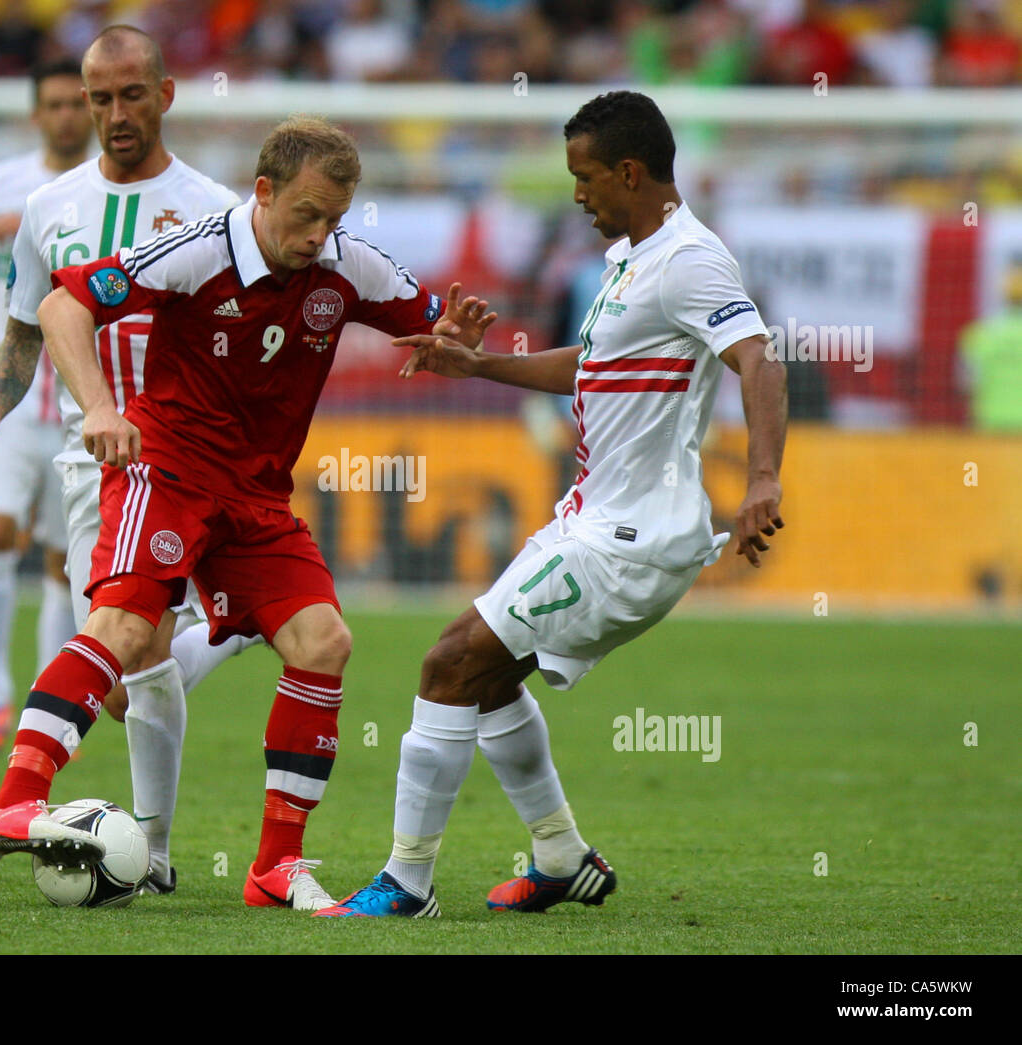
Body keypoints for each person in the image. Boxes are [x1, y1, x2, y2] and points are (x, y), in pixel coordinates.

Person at [0, 112, 496, 911]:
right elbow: (61, 308)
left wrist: (451, 343)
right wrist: (102, 408)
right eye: (306, 215)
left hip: (255, 496)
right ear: (263, 192)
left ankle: (274, 865)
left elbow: (432, 325)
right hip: (166, 469)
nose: (320, 235)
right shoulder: (195, 249)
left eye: (335, 219)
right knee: (129, 631)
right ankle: (15, 795)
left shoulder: (350, 265)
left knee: (324, 641)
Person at [316, 90, 787, 918]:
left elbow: (760, 360)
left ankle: (407, 882)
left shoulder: (692, 260)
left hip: (632, 538)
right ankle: (563, 857)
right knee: (489, 678)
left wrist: (761, 480)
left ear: (631, 172)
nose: (578, 194)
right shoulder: (631, 261)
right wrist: (477, 366)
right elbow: (590, 367)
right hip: (590, 517)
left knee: (449, 662)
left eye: (587, 176)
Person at [0, 26, 255, 895]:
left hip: (188, 455)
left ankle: (151, 851)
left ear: (165, 95)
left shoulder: (215, 208)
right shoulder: (50, 207)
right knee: (133, 673)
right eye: (99, 99)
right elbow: (21, 332)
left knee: (128, 647)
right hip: (96, 465)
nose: (115, 115)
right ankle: (231, 630)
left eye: (131, 95)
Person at [0, 57, 91, 755]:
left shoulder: (109, 191)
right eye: (55, 103)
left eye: (77, 103)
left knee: (67, 562)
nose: (68, 114)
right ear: (36, 113)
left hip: (78, 402)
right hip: (4, 391)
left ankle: (46, 702)